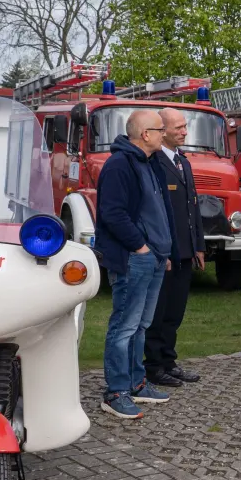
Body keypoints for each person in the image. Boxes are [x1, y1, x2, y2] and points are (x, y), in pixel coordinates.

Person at [94, 109, 180, 419]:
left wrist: (163, 252)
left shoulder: (151, 162)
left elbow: (160, 211)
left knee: (140, 326)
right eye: (159, 129)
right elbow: (112, 213)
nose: (164, 134)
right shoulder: (119, 165)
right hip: (133, 259)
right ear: (145, 134)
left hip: (153, 258)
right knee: (124, 326)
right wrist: (141, 248)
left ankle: (136, 382)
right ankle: (116, 392)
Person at [143, 108, 206, 387]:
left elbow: (193, 207)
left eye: (184, 126)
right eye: (178, 127)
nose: (184, 132)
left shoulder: (183, 161)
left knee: (175, 312)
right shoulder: (153, 163)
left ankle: (169, 361)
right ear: (162, 130)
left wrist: (198, 245)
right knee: (158, 312)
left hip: (185, 251)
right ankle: (153, 366)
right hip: (164, 253)